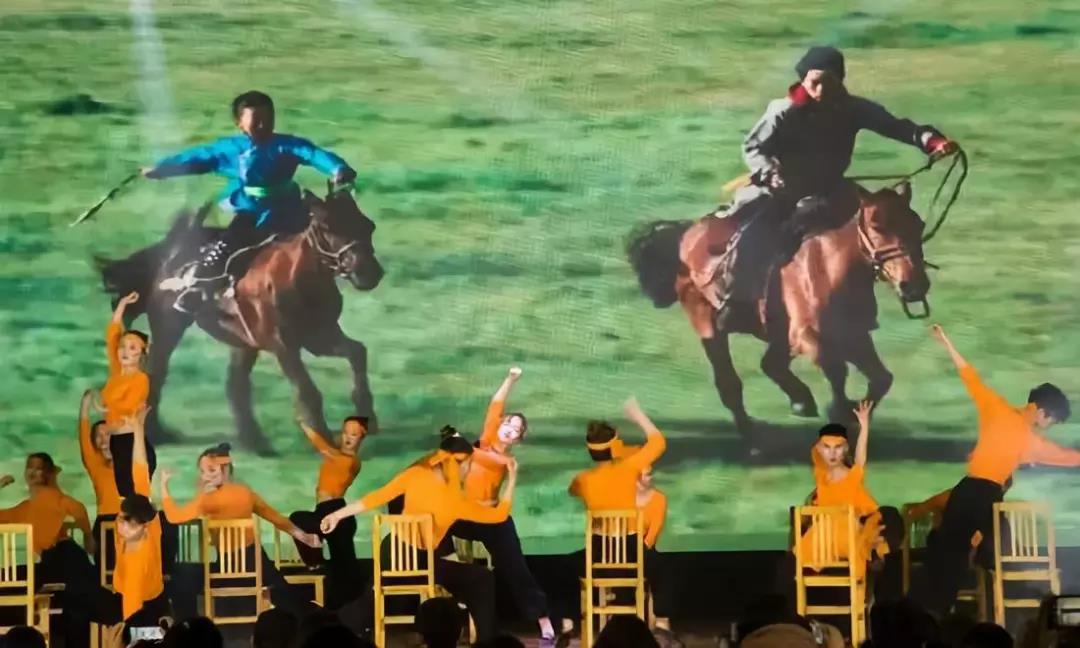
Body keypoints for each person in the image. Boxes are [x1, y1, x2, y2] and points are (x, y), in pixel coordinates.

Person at [713, 45, 958, 325]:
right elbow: (753, 147)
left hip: (831, 189)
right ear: (803, 80)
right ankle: (735, 301)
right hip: (782, 189)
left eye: (828, 82)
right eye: (814, 82)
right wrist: (769, 172)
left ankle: (896, 288)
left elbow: (897, 126)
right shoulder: (782, 111)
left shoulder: (855, 109)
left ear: (839, 81)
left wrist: (932, 142)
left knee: (882, 229)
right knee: (751, 234)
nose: (820, 90)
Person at [912, 324, 1080, 617]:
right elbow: (1069, 458)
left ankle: (930, 611)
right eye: (1051, 421)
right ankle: (939, 610)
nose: (1049, 426)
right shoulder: (1030, 440)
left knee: (948, 555)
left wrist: (947, 342)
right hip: (984, 496)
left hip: (967, 491)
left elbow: (970, 377)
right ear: (1042, 411)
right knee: (966, 555)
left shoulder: (998, 410)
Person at [141, 90, 357, 312]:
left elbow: (313, 154)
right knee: (226, 246)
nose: (263, 125)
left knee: (326, 235)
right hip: (248, 207)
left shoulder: (287, 145)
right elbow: (197, 157)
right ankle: (199, 285)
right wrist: (162, 169)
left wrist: (337, 168)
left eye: (268, 119)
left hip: (288, 206)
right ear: (240, 124)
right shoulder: (230, 148)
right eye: (257, 120)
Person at [322, 428, 519, 644]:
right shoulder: (455, 501)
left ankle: (334, 626)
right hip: (422, 561)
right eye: (467, 464)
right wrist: (511, 478)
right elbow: (499, 515)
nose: (468, 469)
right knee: (481, 578)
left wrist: (336, 515)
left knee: (373, 596)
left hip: (393, 552)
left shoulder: (416, 474)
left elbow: (375, 498)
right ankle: (487, 641)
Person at [449, 367, 556, 645]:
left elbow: (494, 469)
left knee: (516, 567)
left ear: (518, 439)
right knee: (435, 526)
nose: (510, 429)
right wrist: (511, 379)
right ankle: (457, 595)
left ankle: (543, 620)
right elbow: (496, 404)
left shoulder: (508, 461)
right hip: (464, 516)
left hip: (491, 517)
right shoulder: (486, 439)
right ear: (498, 425)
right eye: (508, 423)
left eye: (516, 430)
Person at [160, 443, 322, 619]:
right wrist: (304, 537)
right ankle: (309, 615)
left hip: (225, 572)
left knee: (182, 575)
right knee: (279, 587)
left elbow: (174, 517)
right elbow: (277, 518)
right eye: (202, 471)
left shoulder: (207, 499)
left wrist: (164, 486)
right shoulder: (246, 493)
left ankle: (187, 625)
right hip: (257, 567)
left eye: (210, 470)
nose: (204, 476)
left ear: (225, 470)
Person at [64, 406, 171, 645]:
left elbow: (131, 613)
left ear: (143, 526)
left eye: (127, 524)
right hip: (134, 598)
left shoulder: (139, 552)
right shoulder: (140, 511)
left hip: (139, 609)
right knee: (76, 591)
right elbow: (141, 468)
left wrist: (121, 640)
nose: (121, 526)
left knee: (78, 602)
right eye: (121, 519)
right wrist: (138, 430)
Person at [565, 398, 668, 641]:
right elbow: (658, 442)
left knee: (564, 566)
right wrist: (637, 414)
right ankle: (661, 623)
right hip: (633, 554)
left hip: (597, 557)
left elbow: (573, 491)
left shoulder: (583, 479)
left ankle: (569, 625)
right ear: (614, 446)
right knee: (663, 566)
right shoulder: (629, 469)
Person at [799, 402, 903, 584]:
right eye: (827, 447)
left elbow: (860, 459)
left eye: (838, 447)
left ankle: (866, 566)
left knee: (875, 527)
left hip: (847, 537)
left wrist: (864, 427)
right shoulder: (821, 475)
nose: (832, 453)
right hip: (825, 538)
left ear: (845, 449)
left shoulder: (851, 476)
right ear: (819, 449)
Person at [0, 454, 96, 648]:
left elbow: (77, 509)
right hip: (53, 562)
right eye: (30, 467)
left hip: (66, 558)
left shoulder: (55, 498)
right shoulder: (24, 508)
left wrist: (88, 535)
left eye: (39, 468)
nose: (33, 471)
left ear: (47, 473)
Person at [288, 416, 367, 606]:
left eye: (354, 434)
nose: (348, 437)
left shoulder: (352, 461)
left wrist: (303, 424)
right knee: (297, 519)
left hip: (337, 512)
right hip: (322, 511)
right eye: (345, 432)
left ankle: (354, 606)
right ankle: (316, 562)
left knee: (345, 566)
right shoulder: (336, 455)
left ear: (361, 437)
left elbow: (323, 448)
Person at [99, 291, 154, 499]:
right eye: (122, 347)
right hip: (117, 442)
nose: (125, 351)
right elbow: (112, 334)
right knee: (123, 498)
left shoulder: (140, 379)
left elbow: (129, 414)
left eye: (132, 348)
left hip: (132, 443)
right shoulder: (116, 374)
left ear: (142, 353)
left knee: (135, 499)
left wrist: (106, 424)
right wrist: (122, 305)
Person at [79, 389, 121, 568]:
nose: (104, 439)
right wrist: (85, 405)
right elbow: (83, 435)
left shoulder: (127, 460)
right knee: (105, 570)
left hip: (127, 520)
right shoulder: (95, 463)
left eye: (108, 434)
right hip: (105, 522)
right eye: (99, 436)